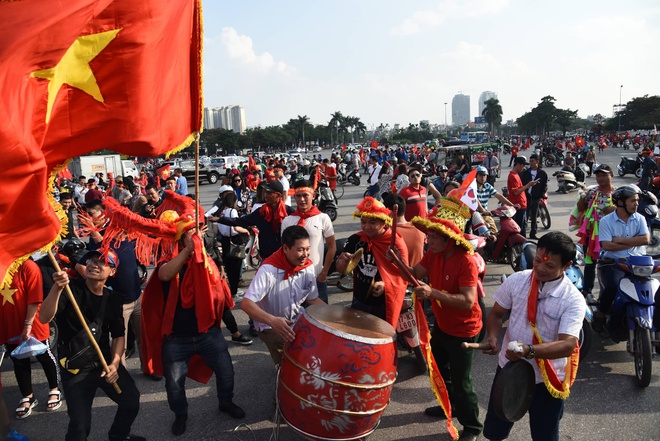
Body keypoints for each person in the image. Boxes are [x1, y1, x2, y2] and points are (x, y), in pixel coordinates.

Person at [482, 232, 586, 441]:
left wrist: (527, 351)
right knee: (495, 430)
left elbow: (567, 345)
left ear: (566, 266)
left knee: (545, 435)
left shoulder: (573, 299)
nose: (539, 268)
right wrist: (492, 337)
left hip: (546, 379)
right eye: (538, 261)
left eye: (549, 266)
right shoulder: (518, 280)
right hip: (510, 370)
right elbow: (496, 314)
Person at [396, 199, 482, 441]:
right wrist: (395, 261)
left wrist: (432, 292)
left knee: (463, 381)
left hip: (465, 330)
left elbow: (467, 300)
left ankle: (473, 427)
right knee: (440, 371)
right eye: (429, 235)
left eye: (434, 236)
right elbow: (415, 274)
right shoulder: (434, 254)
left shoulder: (466, 260)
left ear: (449, 239)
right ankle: (450, 406)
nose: (428, 240)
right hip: (442, 326)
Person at [145, 229, 245, 436]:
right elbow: (164, 275)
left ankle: (226, 402)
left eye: (200, 232)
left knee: (226, 373)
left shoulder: (205, 262)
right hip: (176, 338)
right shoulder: (169, 260)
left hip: (208, 334)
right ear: (181, 240)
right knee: (174, 385)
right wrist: (188, 250)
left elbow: (219, 293)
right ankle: (180, 414)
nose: (198, 237)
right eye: (191, 234)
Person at [40, 250, 145, 441]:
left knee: (130, 401)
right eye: (91, 260)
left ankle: (118, 435)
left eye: (102, 262)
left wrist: (114, 363)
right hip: (75, 367)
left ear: (112, 271)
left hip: (104, 363)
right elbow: (44, 317)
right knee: (80, 428)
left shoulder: (114, 299)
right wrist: (56, 288)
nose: (94, 265)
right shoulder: (69, 289)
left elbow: (119, 335)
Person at [240, 226, 325, 364]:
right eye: (300, 250)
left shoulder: (307, 267)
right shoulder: (268, 270)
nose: (305, 254)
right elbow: (246, 304)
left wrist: (335, 316)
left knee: (320, 344)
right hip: (269, 326)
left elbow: (312, 298)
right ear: (285, 248)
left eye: (307, 248)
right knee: (293, 360)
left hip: (295, 320)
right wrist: (273, 321)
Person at [335, 197, 409, 328]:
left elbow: (404, 275)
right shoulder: (355, 240)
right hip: (359, 299)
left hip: (384, 304)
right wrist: (342, 261)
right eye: (363, 222)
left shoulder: (395, 243)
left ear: (383, 223)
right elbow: (341, 269)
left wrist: (385, 284)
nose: (366, 227)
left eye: (372, 222)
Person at [1, 260, 61, 419]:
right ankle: (28, 396)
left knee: (44, 356)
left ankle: (54, 389)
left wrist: (28, 324)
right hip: (10, 323)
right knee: (19, 361)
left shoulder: (28, 266)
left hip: (33, 322)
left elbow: (35, 297)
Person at [592, 185, 649, 332]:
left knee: (651, 291)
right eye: (632, 201)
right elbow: (607, 246)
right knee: (612, 286)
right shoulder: (606, 221)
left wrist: (618, 240)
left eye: (637, 200)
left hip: (638, 263)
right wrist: (634, 241)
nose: (636, 204)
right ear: (620, 202)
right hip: (613, 263)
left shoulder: (640, 218)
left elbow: (646, 240)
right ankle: (601, 313)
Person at [281, 180, 336, 303]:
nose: (302, 200)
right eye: (298, 196)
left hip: (317, 279)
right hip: (292, 279)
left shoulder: (323, 218)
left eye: (305, 195)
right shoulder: (287, 221)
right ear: (294, 196)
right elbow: (283, 249)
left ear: (313, 195)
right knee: (294, 319)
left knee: (321, 318)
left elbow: (332, 246)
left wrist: (324, 272)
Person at [575, 164, 615, 297]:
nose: (601, 178)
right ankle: (587, 290)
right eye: (598, 175)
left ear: (611, 176)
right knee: (590, 263)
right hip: (591, 234)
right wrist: (582, 195)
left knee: (609, 264)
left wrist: (614, 208)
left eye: (604, 175)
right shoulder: (592, 192)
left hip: (611, 235)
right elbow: (581, 208)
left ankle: (608, 292)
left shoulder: (616, 194)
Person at [383, 194, 426, 266]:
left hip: (398, 275)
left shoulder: (388, 233)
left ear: (390, 212)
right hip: (419, 275)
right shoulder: (420, 229)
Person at [474, 166, 516, 236]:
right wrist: (483, 210)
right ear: (476, 176)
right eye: (480, 175)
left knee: (494, 232)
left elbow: (499, 196)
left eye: (484, 175)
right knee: (485, 233)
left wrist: (512, 205)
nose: (482, 177)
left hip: (485, 215)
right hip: (475, 215)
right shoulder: (473, 187)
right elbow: (475, 199)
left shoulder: (487, 186)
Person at [520, 154, 549, 240]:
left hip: (536, 198)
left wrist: (541, 196)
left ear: (537, 161)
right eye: (530, 161)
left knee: (534, 216)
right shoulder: (525, 173)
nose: (531, 163)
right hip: (526, 198)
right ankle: (523, 234)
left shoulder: (542, 174)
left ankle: (533, 233)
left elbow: (544, 186)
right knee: (524, 217)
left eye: (533, 161)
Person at [507, 156, 537, 237]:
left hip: (522, 205)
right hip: (518, 205)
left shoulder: (516, 175)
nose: (523, 168)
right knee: (520, 229)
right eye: (523, 165)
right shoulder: (513, 176)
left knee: (523, 226)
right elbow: (516, 192)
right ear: (519, 165)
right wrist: (528, 185)